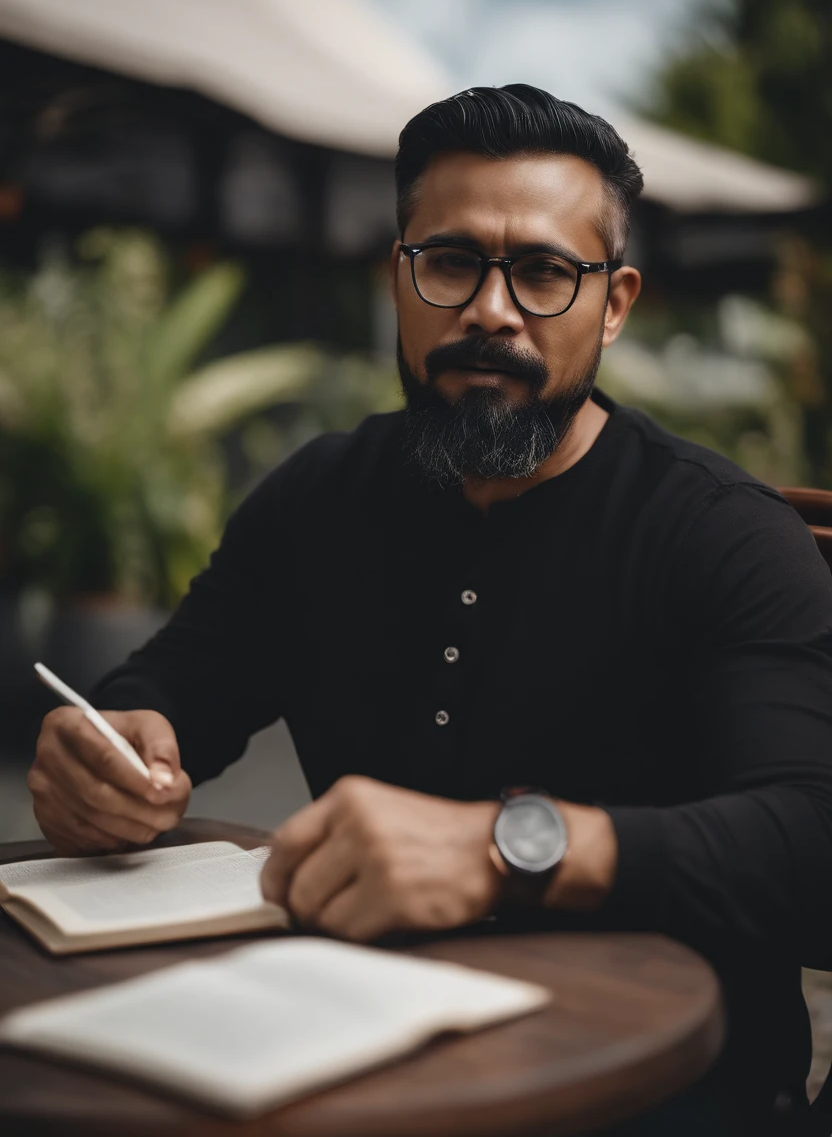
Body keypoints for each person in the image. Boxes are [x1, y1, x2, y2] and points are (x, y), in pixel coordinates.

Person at [27, 85, 832, 1134]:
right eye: (450, 260)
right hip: (348, 1055)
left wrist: (504, 847)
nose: (489, 310)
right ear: (397, 277)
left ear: (617, 303)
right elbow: (178, 682)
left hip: (661, 1086)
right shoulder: (318, 494)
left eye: (543, 271)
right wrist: (112, 749)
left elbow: (807, 839)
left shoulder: (723, 536)